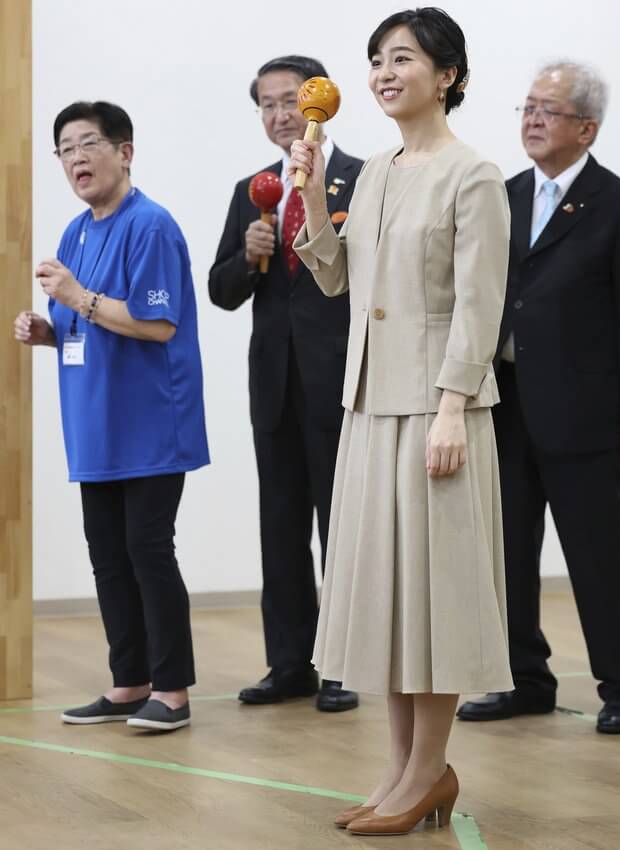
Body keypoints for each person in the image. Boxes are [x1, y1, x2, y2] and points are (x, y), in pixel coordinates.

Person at [290, 8, 512, 835]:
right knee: (388, 602)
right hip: (369, 408)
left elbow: (479, 306)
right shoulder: (375, 170)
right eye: (377, 59)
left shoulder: (474, 174)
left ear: (448, 74)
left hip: (435, 411)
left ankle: (428, 771)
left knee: (438, 600)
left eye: (404, 58)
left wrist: (453, 406)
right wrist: (312, 195)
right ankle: (400, 772)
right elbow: (335, 278)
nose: (385, 72)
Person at [457, 62, 620, 734]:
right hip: (507, 407)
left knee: (600, 554)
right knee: (507, 553)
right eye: (527, 107)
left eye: (549, 109)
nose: (533, 120)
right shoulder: (504, 194)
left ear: (587, 127)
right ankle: (523, 679)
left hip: (586, 417)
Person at [14, 101, 209, 732]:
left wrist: (74, 296)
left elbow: (155, 324)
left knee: (148, 549)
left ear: (124, 152)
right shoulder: (76, 232)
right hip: (95, 426)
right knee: (108, 555)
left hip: (151, 423)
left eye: (88, 143)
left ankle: (172, 692)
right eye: (65, 148)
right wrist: (48, 328)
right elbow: (85, 327)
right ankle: (129, 682)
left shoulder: (150, 225)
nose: (76, 158)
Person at [208, 56, 362, 712]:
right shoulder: (253, 189)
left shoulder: (361, 180)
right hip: (274, 385)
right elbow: (220, 292)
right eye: (266, 104)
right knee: (281, 527)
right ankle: (288, 665)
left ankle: (342, 666)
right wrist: (249, 254)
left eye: (288, 101)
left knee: (343, 529)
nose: (278, 115)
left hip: (342, 384)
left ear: (319, 103)